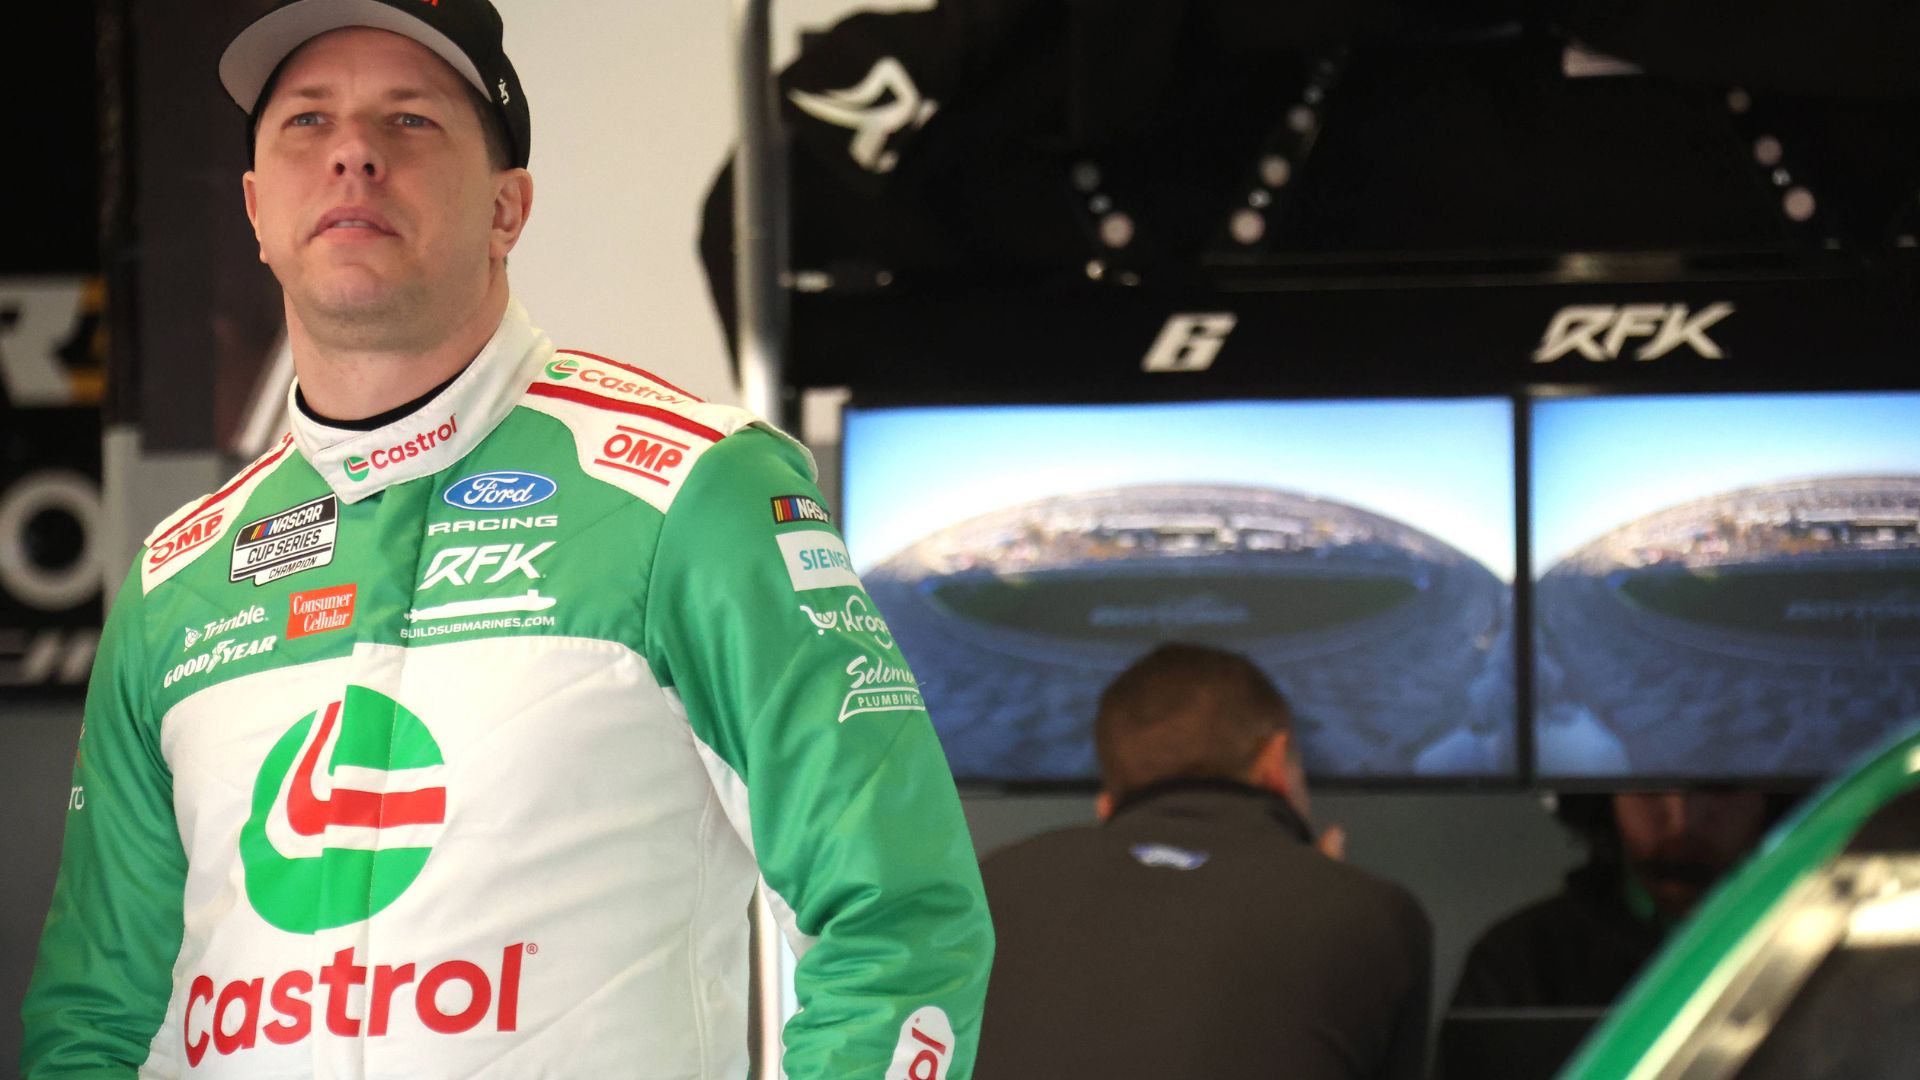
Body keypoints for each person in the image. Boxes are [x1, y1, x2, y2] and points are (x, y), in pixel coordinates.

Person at [19, 2, 993, 1076]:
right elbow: (96, 1017)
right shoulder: (178, 577)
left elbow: (898, 920)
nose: (352, 152)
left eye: (410, 119)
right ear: (255, 208)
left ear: (506, 207)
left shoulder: (695, 490)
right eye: (307, 120)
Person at [974, 643, 1432, 1080]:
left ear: (1106, 803)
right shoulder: (1372, 913)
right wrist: (1328, 894)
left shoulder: (991, 884)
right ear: (1276, 763)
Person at [1450, 789, 1776, 1009]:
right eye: (1648, 786)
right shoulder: (1518, 959)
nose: (1681, 819)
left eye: (1720, 787)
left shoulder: (1804, 939)